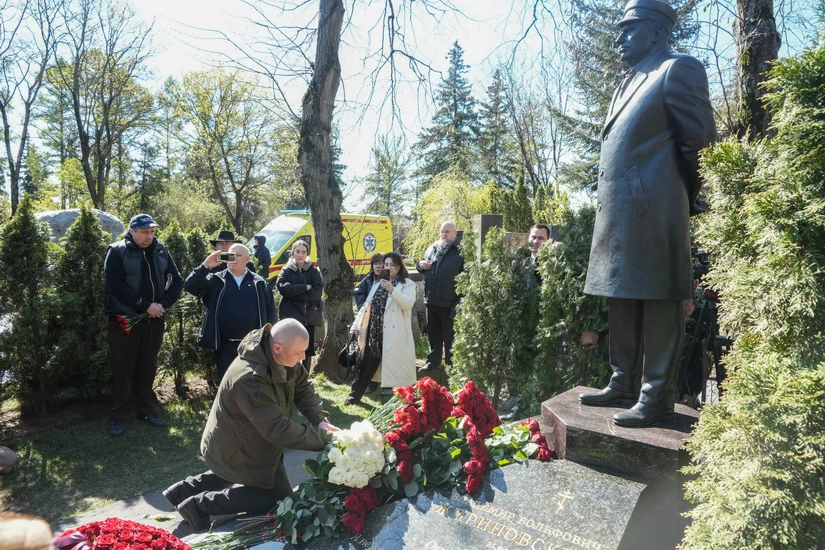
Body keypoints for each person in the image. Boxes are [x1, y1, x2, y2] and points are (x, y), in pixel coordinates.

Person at [579, 0, 716, 427]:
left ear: (656, 32)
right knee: (621, 295)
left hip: (656, 209)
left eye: (629, 29)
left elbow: (701, 147)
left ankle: (656, 396)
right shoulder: (629, 80)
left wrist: (674, 199)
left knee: (659, 298)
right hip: (619, 212)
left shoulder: (677, 69)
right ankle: (622, 382)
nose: (619, 37)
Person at [162, 320, 339, 533]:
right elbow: (278, 430)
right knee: (279, 499)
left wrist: (319, 419)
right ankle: (200, 506)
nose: (303, 358)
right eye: (299, 353)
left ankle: (182, 492)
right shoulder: (250, 378)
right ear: (277, 348)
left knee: (242, 474)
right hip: (237, 447)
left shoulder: (282, 355)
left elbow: (302, 387)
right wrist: (326, 439)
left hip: (252, 442)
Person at [104, 213, 182, 436]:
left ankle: (145, 410)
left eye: (152, 231)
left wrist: (161, 305)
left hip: (154, 319)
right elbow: (115, 285)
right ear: (132, 231)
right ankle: (118, 415)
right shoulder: (117, 251)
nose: (150, 236)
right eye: (145, 232)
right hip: (125, 321)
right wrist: (145, 305)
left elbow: (177, 280)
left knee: (148, 366)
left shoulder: (161, 250)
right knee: (123, 368)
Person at [184, 243, 277, 382]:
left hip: (253, 347)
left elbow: (271, 313)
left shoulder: (259, 283)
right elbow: (190, 286)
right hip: (224, 346)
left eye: (238, 255)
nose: (233, 258)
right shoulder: (216, 280)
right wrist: (205, 266)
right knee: (227, 384)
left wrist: (272, 339)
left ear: (247, 259)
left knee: (251, 384)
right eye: (230, 255)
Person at [346, 253, 416, 405]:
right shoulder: (377, 283)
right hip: (374, 334)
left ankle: (407, 402)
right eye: (386, 265)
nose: (388, 268)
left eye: (392, 265)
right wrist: (356, 325)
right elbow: (366, 306)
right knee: (366, 366)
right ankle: (354, 397)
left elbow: (408, 304)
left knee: (399, 369)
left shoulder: (407, 284)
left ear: (399, 267)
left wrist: (392, 290)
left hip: (395, 334)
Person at [417, 221, 464, 376]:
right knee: (433, 333)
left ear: (455, 233)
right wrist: (419, 265)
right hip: (431, 299)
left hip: (449, 301)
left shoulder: (461, 251)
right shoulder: (432, 248)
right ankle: (433, 361)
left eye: (447, 232)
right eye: (442, 231)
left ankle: (451, 366)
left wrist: (460, 300)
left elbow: (467, 277)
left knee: (450, 336)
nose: (444, 234)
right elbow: (421, 265)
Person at [275, 240, 323, 371]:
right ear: (293, 253)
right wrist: (305, 287)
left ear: (307, 254)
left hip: (308, 317)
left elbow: (316, 293)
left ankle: (305, 377)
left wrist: (294, 293)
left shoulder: (313, 271)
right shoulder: (286, 270)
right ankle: (289, 376)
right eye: (297, 251)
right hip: (290, 317)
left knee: (307, 350)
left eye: (303, 252)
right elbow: (283, 289)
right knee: (289, 349)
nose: (300, 255)